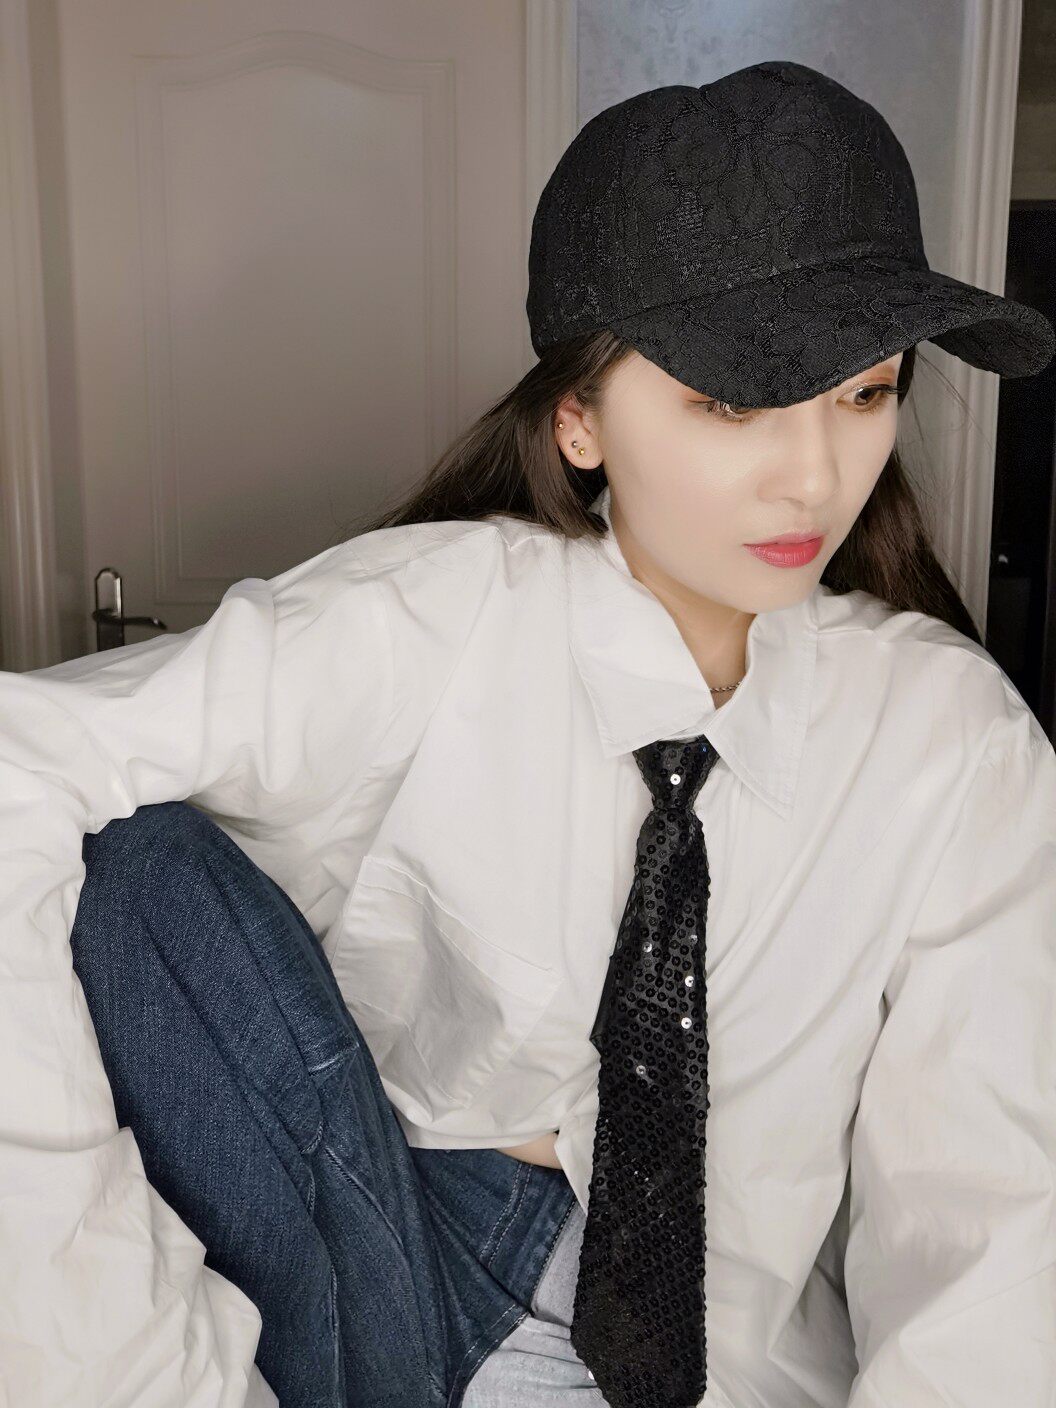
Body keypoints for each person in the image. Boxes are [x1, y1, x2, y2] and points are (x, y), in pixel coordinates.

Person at [2, 57, 1055, 1408]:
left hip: (715, 1351)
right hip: (385, 1244)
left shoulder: (949, 741)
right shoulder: (436, 619)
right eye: (732, 402)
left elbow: (991, 1216)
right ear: (578, 421)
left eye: (863, 393)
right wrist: (124, 1356)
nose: (814, 474)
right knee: (134, 865)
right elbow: (20, 763)